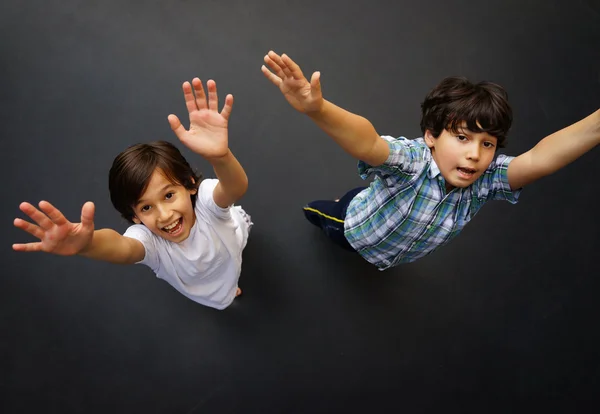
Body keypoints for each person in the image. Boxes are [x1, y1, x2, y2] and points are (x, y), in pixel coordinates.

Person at [261, 50, 599, 270]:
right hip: (354, 229)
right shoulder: (413, 161)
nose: (475, 154)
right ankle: (329, 209)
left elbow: (542, 158)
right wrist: (319, 110)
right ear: (431, 136)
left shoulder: (484, 182)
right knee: (323, 215)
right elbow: (368, 143)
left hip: (391, 254)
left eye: (488, 144)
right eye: (463, 138)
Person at [13, 78, 252, 309]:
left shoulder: (206, 204)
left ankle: (233, 276)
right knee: (225, 289)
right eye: (146, 207)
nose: (164, 215)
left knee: (237, 250)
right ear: (135, 215)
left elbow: (234, 187)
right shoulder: (151, 243)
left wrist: (220, 158)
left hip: (231, 240)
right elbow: (123, 248)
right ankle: (229, 290)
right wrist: (88, 245)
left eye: (169, 195)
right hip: (208, 288)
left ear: (190, 185)